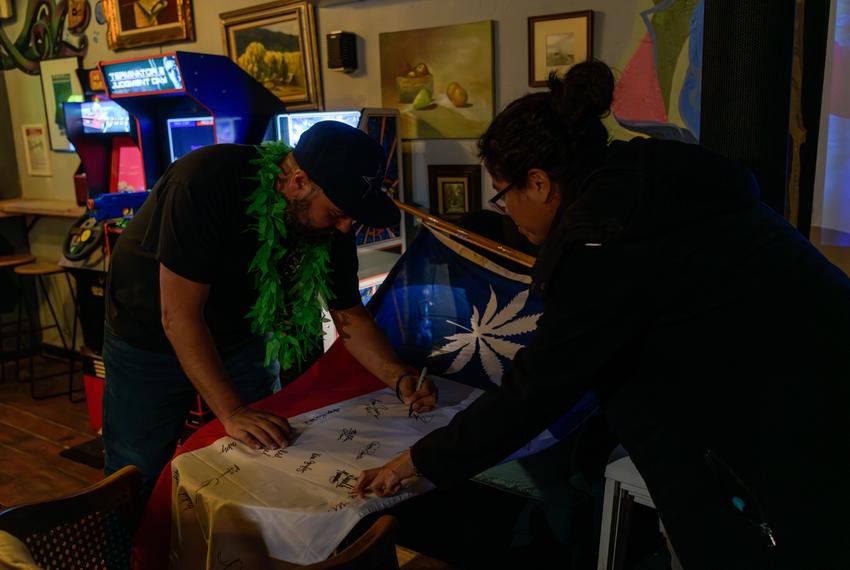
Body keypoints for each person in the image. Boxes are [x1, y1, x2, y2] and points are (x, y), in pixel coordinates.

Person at [354, 61, 850, 569]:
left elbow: (537, 389)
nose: (507, 211)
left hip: (788, 455)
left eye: (504, 196)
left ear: (540, 183)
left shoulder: (603, 244)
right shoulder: (656, 180)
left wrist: (418, 460)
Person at [104, 121, 436, 497]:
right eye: (336, 214)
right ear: (297, 183)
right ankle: (123, 555)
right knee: (137, 467)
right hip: (148, 336)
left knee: (265, 451)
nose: (345, 228)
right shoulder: (205, 180)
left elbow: (349, 314)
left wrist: (398, 378)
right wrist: (231, 412)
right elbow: (179, 317)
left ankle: (234, 552)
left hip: (241, 336)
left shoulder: (330, 219)